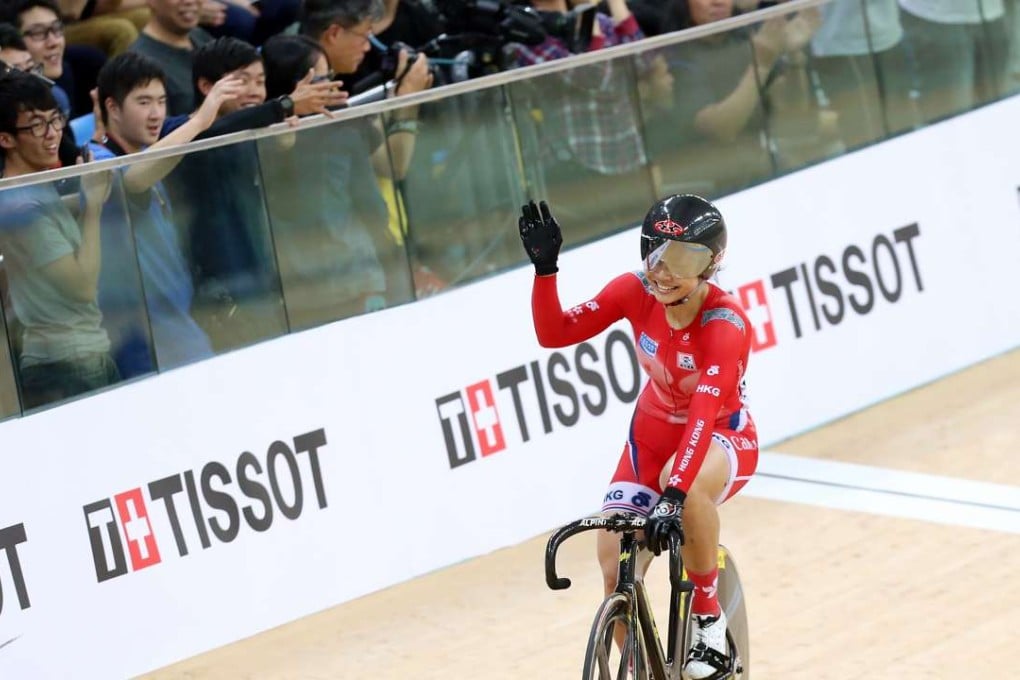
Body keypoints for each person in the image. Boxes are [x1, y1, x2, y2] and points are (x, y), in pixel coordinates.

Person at [518, 194, 758, 680]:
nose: (665, 272)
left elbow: (702, 415)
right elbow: (554, 333)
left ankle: (708, 619)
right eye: (656, 254)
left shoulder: (725, 324)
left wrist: (672, 496)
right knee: (613, 560)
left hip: (719, 436)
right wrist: (546, 271)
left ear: (711, 266)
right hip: (649, 437)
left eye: (684, 259)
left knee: (684, 489)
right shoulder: (634, 290)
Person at [0, 69, 118, 410]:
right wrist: (92, 206)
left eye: (55, 121)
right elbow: (81, 287)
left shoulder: (30, 191)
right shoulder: (22, 206)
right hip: (68, 365)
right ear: (6, 139)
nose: (52, 135)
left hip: (76, 355)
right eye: (36, 125)